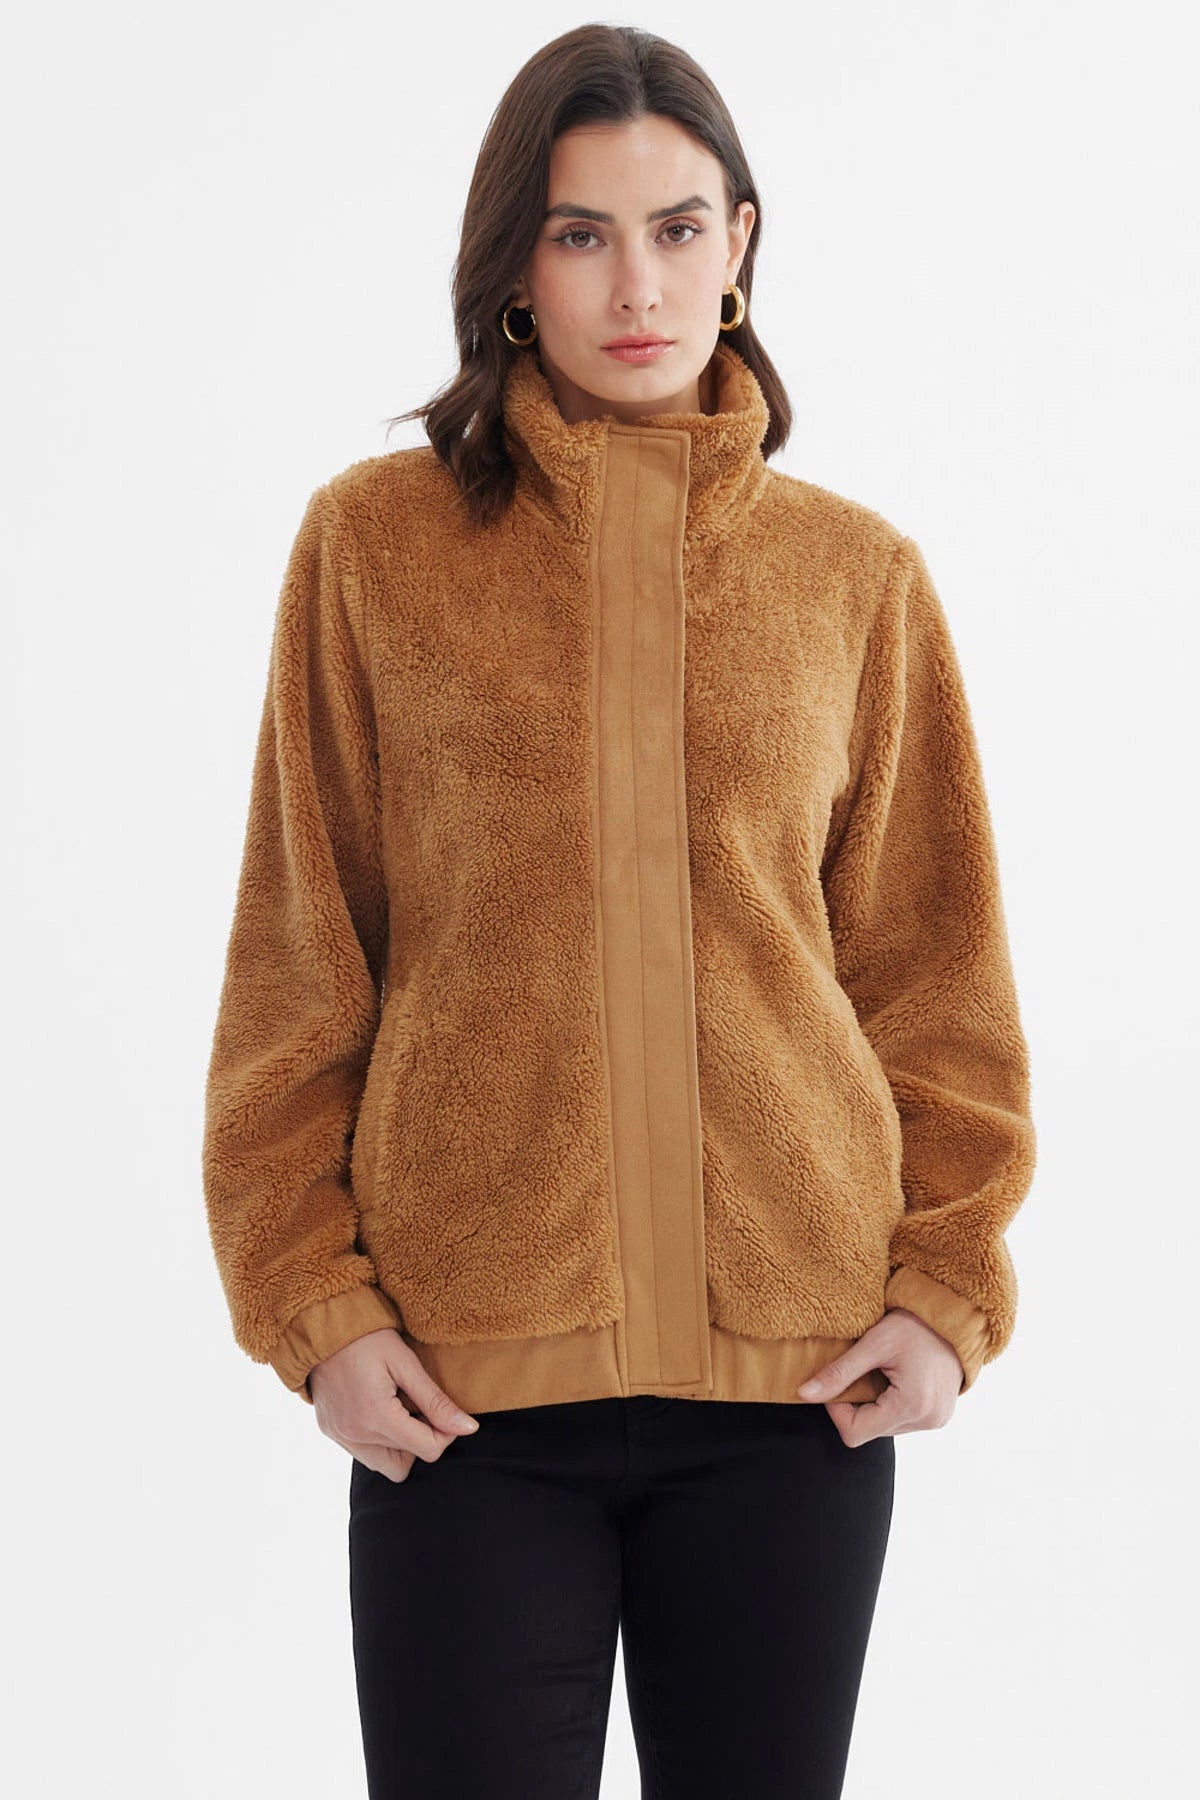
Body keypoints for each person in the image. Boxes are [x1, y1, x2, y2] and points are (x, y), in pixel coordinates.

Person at [201, 23, 1036, 1799]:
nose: (636, 285)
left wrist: (949, 1287)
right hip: (462, 1402)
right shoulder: (373, 550)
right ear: (515, 264)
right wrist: (311, 1304)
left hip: (797, 1399)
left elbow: (933, 973)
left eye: (675, 229)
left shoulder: (854, 578)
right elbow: (298, 962)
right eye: (581, 235)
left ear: (742, 243)